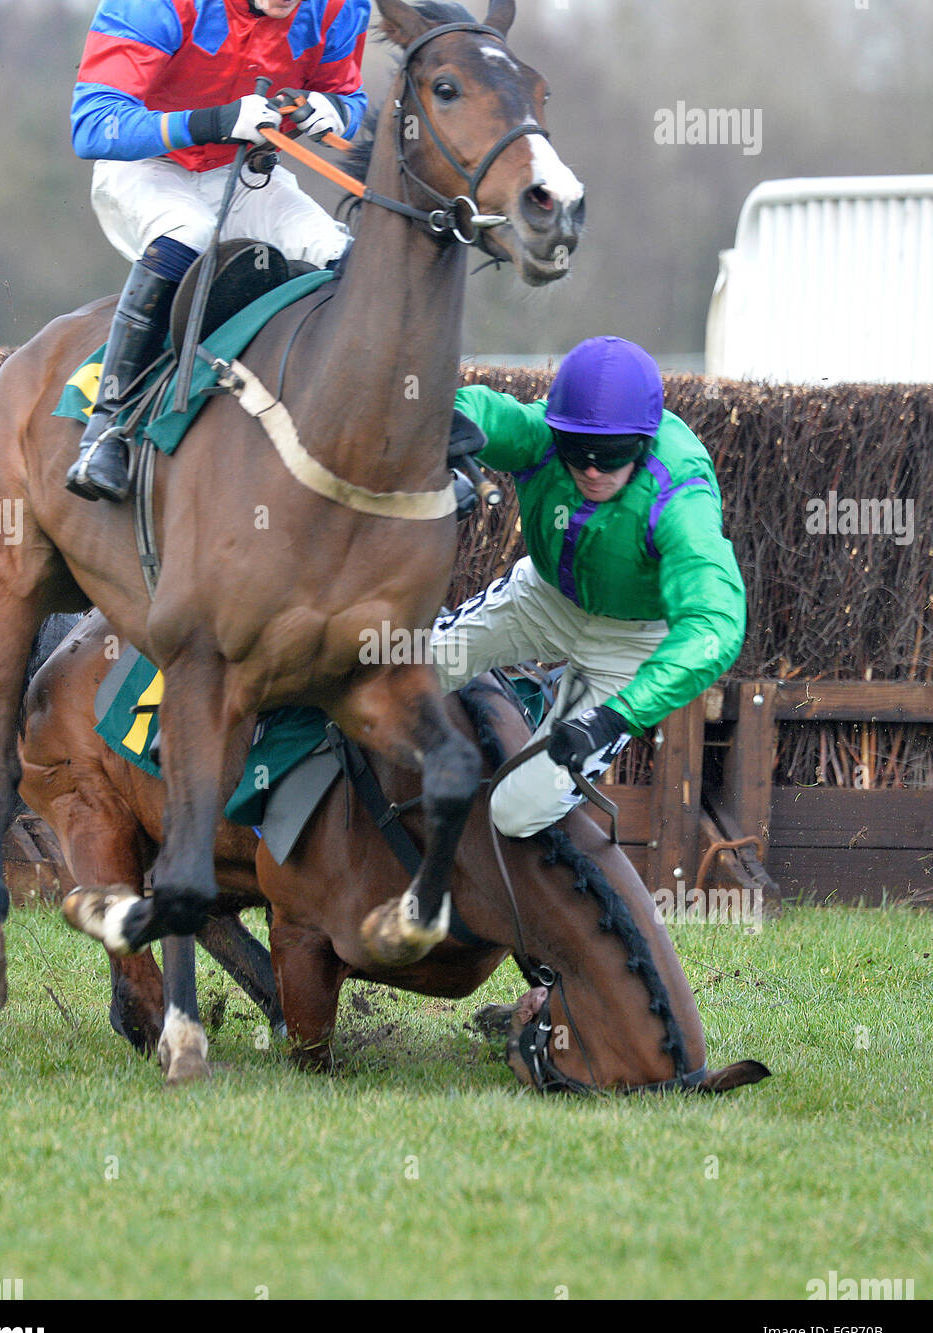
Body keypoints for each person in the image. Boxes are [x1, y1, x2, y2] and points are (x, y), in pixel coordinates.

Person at [432, 336, 746, 838]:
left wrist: (613, 718)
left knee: (513, 815)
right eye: (579, 453)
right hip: (545, 599)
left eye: (613, 454)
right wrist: (448, 431)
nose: (594, 470)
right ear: (559, 435)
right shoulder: (544, 436)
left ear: (644, 444)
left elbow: (716, 625)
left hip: (631, 644)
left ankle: (554, 704)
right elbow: (483, 409)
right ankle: (528, 697)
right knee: (408, 673)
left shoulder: (680, 496)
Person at [65, 0, 371, 502]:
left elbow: (349, 99)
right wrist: (214, 121)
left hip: (247, 174)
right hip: (148, 167)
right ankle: (105, 429)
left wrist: (335, 111)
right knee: (192, 230)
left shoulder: (339, 9)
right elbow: (95, 127)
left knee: (348, 260)